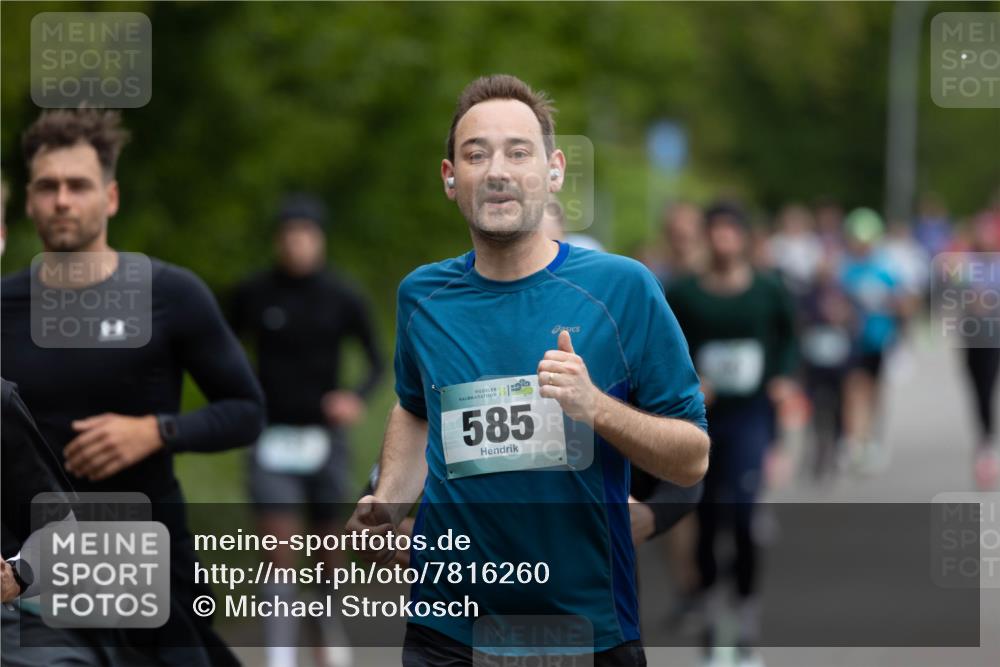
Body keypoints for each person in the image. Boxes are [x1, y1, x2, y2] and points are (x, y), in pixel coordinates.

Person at [345, 74, 709, 667]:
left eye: (519, 152)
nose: (497, 171)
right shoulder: (423, 297)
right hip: (445, 629)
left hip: (581, 628)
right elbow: (416, 408)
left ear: (554, 171)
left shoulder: (622, 290)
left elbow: (691, 458)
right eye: (475, 154)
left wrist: (595, 407)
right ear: (449, 178)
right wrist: (386, 502)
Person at [1, 108, 266, 666]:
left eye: (78, 185)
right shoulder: (3, 306)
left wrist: (156, 431)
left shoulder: (169, 294)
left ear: (111, 197)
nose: (62, 200)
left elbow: (246, 410)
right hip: (35, 570)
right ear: (29, 201)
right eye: (47, 187)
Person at [230, 193, 385, 667]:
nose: (297, 243)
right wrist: (240, 399)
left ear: (319, 239)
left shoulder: (342, 295)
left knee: (325, 550)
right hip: (270, 434)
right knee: (277, 547)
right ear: (279, 240)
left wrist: (353, 397)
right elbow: (220, 350)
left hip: (324, 437)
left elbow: (378, 361)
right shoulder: (254, 294)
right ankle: (279, 654)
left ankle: (325, 638)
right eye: (289, 234)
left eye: (306, 234)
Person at [666, 201, 798, 667]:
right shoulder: (685, 294)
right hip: (702, 420)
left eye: (730, 231)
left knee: (742, 516)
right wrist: (690, 382)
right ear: (705, 237)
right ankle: (709, 617)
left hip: (752, 416)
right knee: (704, 519)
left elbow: (788, 337)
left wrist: (782, 376)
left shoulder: (766, 289)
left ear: (743, 237)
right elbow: (669, 347)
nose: (722, 240)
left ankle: (744, 616)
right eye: (714, 231)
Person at [837, 207, 915, 473]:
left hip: (880, 340)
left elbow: (905, 304)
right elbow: (834, 302)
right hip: (852, 341)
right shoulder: (845, 267)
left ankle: (871, 439)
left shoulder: (886, 268)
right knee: (853, 388)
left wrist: (898, 318)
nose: (860, 244)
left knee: (874, 392)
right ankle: (852, 442)